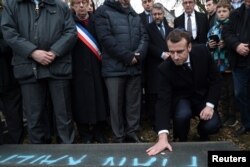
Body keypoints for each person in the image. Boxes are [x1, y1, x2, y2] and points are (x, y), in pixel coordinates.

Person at [1, 0, 76, 144]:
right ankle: (39, 154)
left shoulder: (60, 6)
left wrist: (55, 51)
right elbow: (9, 32)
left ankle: (68, 153)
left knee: (64, 116)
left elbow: (71, 32)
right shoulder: (12, 5)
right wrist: (32, 52)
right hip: (28, 68)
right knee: (34, 119)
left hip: (58, 66)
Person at [146, 29, 221, 155]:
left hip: (202, 97)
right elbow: (163, 101)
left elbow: (216, 80)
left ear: (189, 47)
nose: (175, 57)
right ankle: (181, 139)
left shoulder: (203, 52)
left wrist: (210, 105)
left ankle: (202, 132)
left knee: (212, 125)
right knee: (182, 115)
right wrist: (163, 137)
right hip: (181, 99)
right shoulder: (164, 68)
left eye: (180, 51)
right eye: (171, 52)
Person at [95, 0, 148, 143]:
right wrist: (128, 57)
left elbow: (144, 37)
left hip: (134, 68)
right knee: (115, 105)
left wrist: (138, 55)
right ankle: (118, 136)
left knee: (134, 104)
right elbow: (106, 38)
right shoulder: (102, 11)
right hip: (114, 69)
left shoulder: (134, 14)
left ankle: (132, 132)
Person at [70, 0, 108, 144]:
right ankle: (85, 133)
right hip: (78, 70)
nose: (81, 6)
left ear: (88, 5)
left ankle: (99, 132)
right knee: (80, 102)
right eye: (77, 3)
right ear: (72, 6)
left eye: (84, 3)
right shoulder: (69, 24)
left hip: (97, 67)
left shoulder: (97, 22)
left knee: (100, 100)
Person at [222, 0, 250, 136]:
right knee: (239, 93)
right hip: (239, 62)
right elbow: (226, 33)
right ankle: (246, 123)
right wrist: (237, 45)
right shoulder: (235, 14)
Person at [207, 2, 237, 127]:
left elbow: (237, 42)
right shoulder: (213, 28)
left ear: (229, 12)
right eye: (219, 11)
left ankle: (233, 116)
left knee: (232, 92)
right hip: (217, 65)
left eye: (224, 11)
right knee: (222, 92)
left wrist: (227, 43)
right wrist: (209, 45)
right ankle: (224, 115)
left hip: (229, 65)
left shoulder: (233, 26)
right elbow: (206, 43)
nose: (221, 13)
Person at [145, 2, 172, 127]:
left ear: (164, 14)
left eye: (159, 14)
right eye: (154, 14)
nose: (157, 16)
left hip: (167, 68)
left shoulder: (170, 28)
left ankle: (167, 120)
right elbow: (148, 45)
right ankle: (155, 123)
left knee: (166, 94)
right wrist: (162, 54)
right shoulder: (147, 28)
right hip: (153, 67)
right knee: (153, 96)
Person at [0, 0, 24, 144]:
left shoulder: (5, 16)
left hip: (7, 76)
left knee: (13, 113)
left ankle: (17, 144)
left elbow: (10, 43)